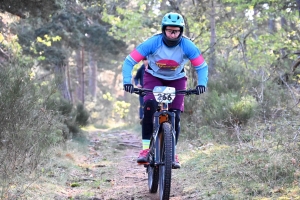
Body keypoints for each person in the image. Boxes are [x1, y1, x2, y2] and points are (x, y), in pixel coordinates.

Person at [122, 12, 208, 169]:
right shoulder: (152, 43)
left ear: (181, 31)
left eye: (176, 31)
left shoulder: (187, 46)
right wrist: (127, 82)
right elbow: (129, 61)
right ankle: (145, 149)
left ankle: (172, 152)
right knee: (149, 106)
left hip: (177, 79)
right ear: (163, 30)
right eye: (169, 30)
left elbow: (201, 66)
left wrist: (202, 83)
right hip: (153, 77)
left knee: (175, 115)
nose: (173, 34)